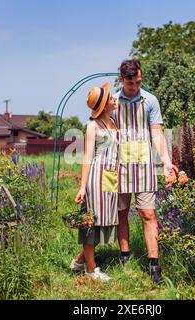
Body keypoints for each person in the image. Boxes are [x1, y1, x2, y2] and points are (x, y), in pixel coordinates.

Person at [112, 58, 178, 284]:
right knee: (120, 212)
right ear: (122, 80)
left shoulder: (150, 100)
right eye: (131, 83)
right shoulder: (112, 102)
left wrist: (167, 162)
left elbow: (157, 133)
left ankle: (154, 266)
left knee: (148, 214)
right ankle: (124, 255)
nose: (135, 87)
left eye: (139, 82)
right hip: (118, 165)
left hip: (144, 164)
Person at [71, 82, 119, 281]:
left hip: (111, 177)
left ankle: (80, 260)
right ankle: (91, 270)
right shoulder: (92, 126)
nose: (114, 98)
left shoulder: (113, 122)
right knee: (93, 223)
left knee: (104, 222)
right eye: (110, 98)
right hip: (96, 178)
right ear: (103, 105)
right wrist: (82, 187)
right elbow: (87, 157)